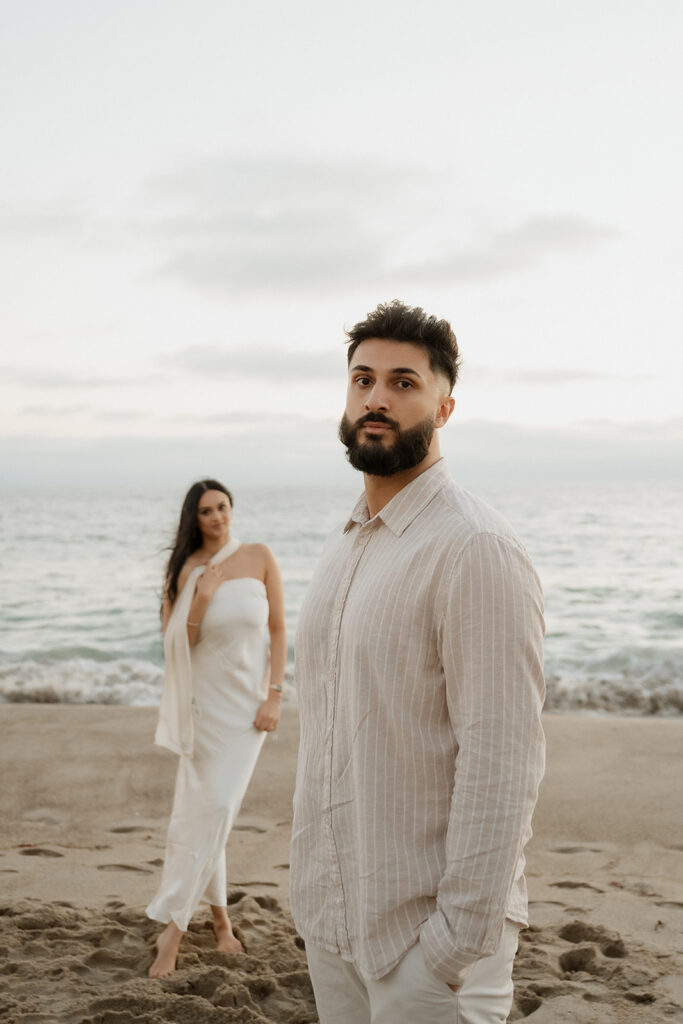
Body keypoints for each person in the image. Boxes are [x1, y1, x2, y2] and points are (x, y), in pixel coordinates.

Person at [290, 301, 545, 1023]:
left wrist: (453, 942)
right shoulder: (345, 545)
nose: (376, 398)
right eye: (362, 379)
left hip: (426, 948)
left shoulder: (474, 549)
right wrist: (313, 899)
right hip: (334, 924)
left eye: (403, 382)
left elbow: (503, 758)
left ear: (444, 405)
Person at [147, 478, 286, 978]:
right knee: (212, 815)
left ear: (232, 509)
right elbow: (174, 645)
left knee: (217, 810)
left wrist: (275, 695)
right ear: (194, 518)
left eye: (223, 507)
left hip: (248, 711)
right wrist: (201, 598)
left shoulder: (258, 556)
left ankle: (174, 929)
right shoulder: (184, 570)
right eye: (206, 511)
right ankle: (217, 924)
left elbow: (278, 630)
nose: (217, 517)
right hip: (205, 709)